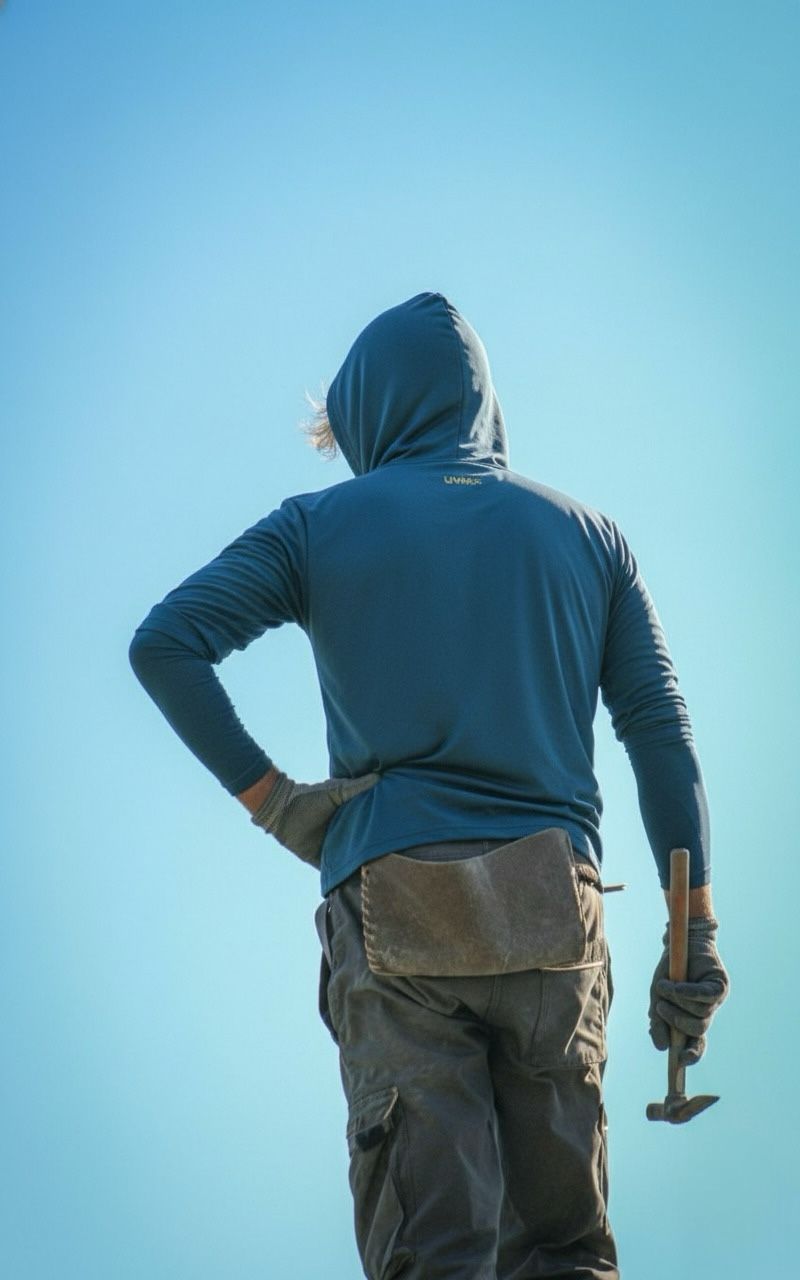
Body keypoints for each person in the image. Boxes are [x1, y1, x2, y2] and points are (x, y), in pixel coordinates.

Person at [129, 291, 729, 1279]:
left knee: (433, 1252)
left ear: (371, 413)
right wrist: (688, 938)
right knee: (563, 1252)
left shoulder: (315, 526)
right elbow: (660, 735)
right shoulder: (590, 538)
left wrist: (277, 803)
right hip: (552, 918)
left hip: (392, 906)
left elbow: (166, 644)